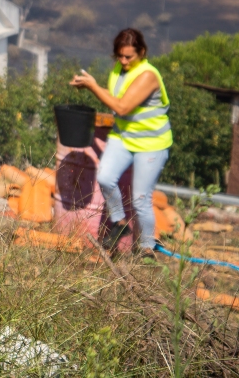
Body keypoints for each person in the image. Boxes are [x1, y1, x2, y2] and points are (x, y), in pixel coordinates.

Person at [72, 28, 172, 254]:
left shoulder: (148, 75)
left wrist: (93, 86)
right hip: (124, 136)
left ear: (142, 52)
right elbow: (118, 97)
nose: (124, 61)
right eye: (120, 56)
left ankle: (145, 251)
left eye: (129, 57)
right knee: (106, 177)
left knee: (140, 199)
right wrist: (89, 86)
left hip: (152, 143)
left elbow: (122, 106)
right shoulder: (120, 69)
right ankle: (119, 223)